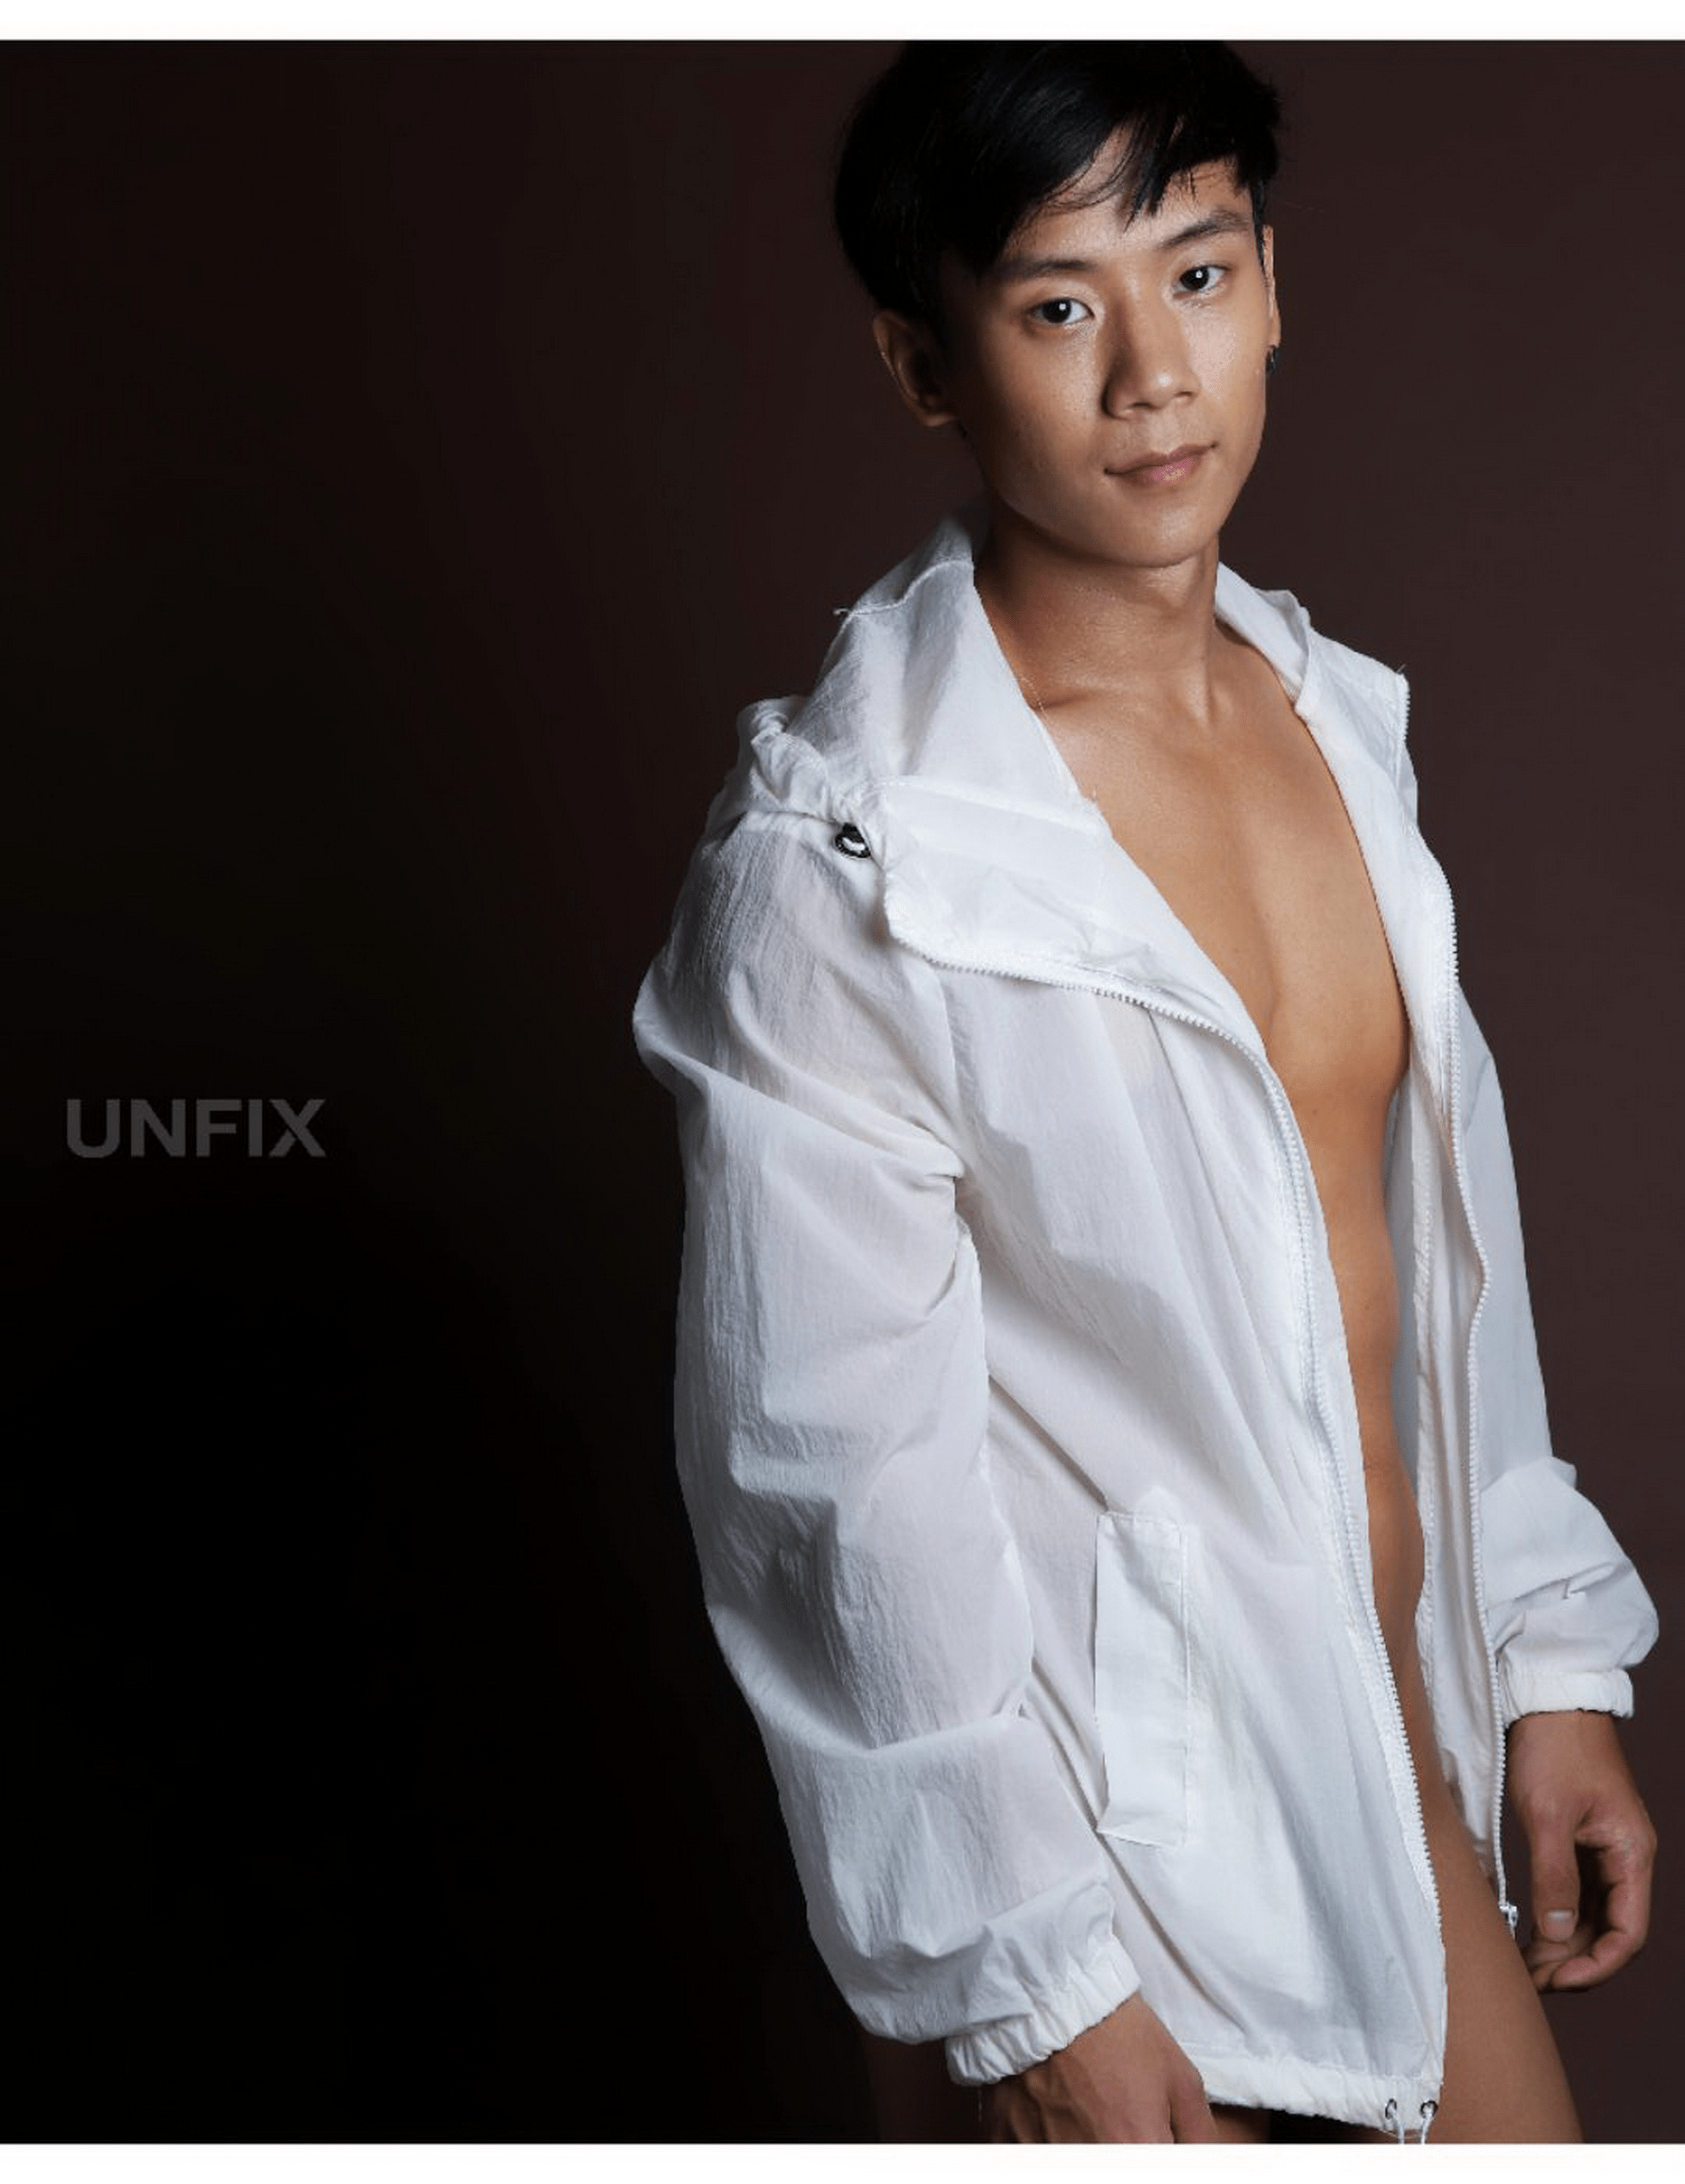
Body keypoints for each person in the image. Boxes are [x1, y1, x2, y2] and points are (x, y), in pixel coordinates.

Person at [633, 42, 1658, 2144]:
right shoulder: (846, 858)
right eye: (1055, 306)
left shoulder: (1327, 718)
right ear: (925, 364)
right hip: (1100, 1864)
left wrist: (1544, 1657)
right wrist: (1024, 1977)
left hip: (1384, 1762)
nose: (1151, 377)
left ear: (1271, 282)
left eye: (1195, 274)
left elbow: (1432, 1256)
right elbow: (831, 1479)